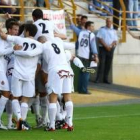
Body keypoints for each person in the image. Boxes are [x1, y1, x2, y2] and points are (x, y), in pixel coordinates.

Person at [0, 23, 43, 130]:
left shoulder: (19, 40)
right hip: (30, 76)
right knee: (25, 99)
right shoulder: (39, 45)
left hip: (17, 74)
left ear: (27, 31)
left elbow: (3, 35)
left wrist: (1, 26)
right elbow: (32, 55)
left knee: (14, 97)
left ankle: (20, 120)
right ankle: (22, 122)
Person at [38, 36, 74, 131]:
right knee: (68, 97)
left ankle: (52, 125)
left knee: (52, 98)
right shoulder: (59, 42)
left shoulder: (43, 47)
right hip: (67, 70)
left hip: (55, 70)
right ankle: (69, 123)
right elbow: (71, 46)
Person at [0, 20, 19, 130]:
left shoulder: (11, 40)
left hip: (4, 70)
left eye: (17, 30)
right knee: (6, 93)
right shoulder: (3, 39)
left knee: (6, 94)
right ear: (9, 30)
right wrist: (12, 49)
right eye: (15, 30)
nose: (16, 32)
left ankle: (8, 122)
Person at [77, 21, 98, 94]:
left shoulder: (81, 33)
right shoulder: (91, 34)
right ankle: (84, 89)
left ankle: (79, 89)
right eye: (92, 26)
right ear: (88, 27)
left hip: (80, 55)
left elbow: (74, 28)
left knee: (81, 73)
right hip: (86, 56)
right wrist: (96, 56)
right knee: (86, 73)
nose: (93, 28)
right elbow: (93, 46)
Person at [95, 18, 118, 84]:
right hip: (103, 48)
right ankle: (98, 78)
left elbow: (115, 40)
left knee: (108, 64)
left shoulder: (114, 31)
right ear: (106, 22)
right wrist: (106, 46)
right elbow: (100, 39)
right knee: (101, 63)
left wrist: (110, 46)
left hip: (111, 49)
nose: (108, 23)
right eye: (107, 21)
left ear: (111, 23)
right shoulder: (102, 29)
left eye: (110, 21)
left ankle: (106, 78)